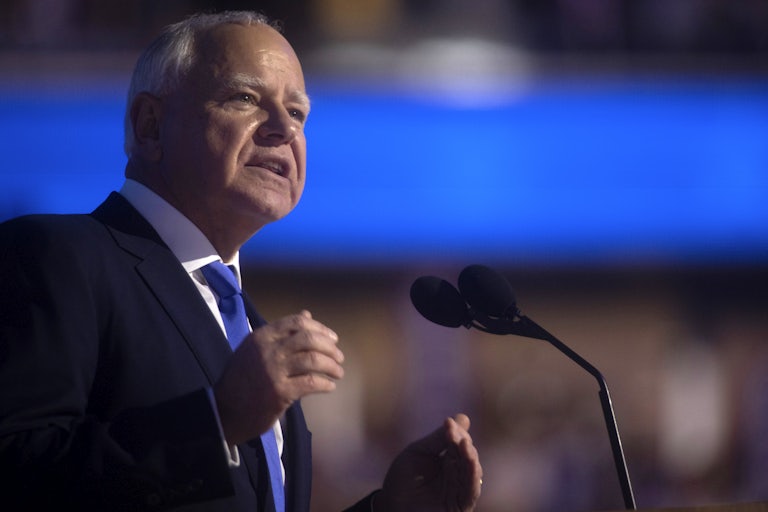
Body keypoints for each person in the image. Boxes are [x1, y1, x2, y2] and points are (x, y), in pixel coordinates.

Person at [0, 10, 482, 512]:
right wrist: (217, 420)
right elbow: (18, 475)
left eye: (297, 113)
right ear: (150, 125)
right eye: (245, 99)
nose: (282, 129)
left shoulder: (249, 328)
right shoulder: (53, 257)